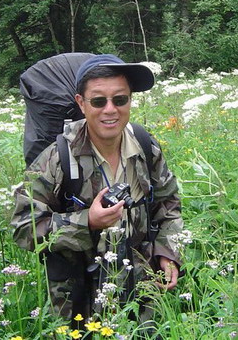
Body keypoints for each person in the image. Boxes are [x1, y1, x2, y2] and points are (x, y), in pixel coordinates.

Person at [11, 54, 183, 324]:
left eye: (120, 99)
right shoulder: (57, 158)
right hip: (79, 302)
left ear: (130, 100)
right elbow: (23, 227)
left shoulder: (145, 147)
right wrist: (86, 222)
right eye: (99, 101)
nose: (110, 110)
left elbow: (168, 203)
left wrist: (168, 253)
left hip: (144, 295)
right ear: (81, 103)